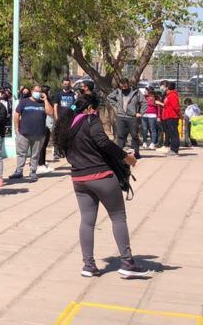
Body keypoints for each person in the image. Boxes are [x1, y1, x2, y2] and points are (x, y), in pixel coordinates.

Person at [58, 93, 150, 278]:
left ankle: (88, 265)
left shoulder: (68, 125)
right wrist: (127, 158)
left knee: (87, 221)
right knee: (118, 217)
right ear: (91, 108)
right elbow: (103, 142)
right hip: (101, 176)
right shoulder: (91, 120)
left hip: (79, 179)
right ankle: (127, 262)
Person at [12, 86, 50, 181]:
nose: (37, 93)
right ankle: (19, 171)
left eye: (39, 91)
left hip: (39, 133)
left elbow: (50, 112)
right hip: (24, 133)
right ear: (32, 91)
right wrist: (16, 129)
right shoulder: (24, 102)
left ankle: (33, 171)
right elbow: (16, 115)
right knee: (21, 153)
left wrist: (45, 100)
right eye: (36, 91)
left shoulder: (43, 103)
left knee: (35, 154)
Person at [107, 78, 144, 159]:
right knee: (120, 135)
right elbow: (109, 97)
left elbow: (143, 102)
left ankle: (136, 152)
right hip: (121, 117)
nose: (124, 87)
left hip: (132, 117)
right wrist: (116, 105)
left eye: (125, 86)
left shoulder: (136, 92)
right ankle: (120, 153)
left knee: (134, 135)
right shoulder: (117, 91)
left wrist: (141, 113)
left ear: (128, 84)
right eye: (122, 86)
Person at [155, 81, 181, 156]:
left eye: (165, 86)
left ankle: (175, 150)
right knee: (171, 133)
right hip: (168, 117)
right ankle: (172, 148)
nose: (164, 88)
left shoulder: (172, 95)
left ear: (168, 87)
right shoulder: (168, 95)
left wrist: (179, 115)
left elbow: (176, 107)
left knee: (174, 134)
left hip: (172, 117)